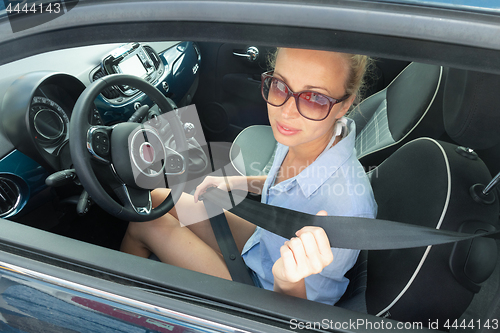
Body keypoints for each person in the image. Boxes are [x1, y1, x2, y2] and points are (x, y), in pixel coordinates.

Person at [121, 47, 377, 305]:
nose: (286, 111)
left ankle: (111, 305)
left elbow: (296, 317)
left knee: (145, 223)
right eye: (280, 85)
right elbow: (287, 182)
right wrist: (233, 182)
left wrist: (288, 281)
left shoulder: (347, 211)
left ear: (344, 104)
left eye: (314, 98)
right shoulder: (308, 133)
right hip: (263, 242)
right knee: (154, 201)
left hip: (268, 292)